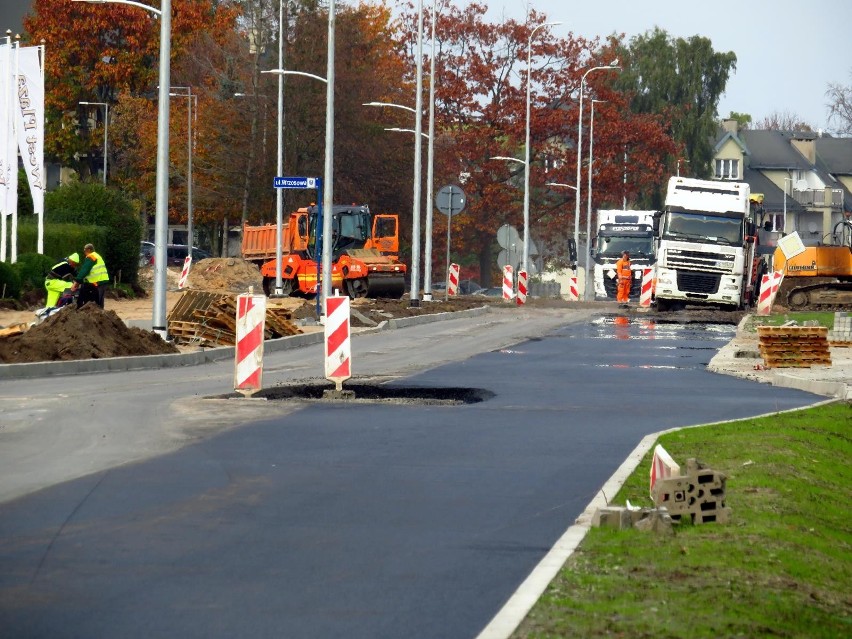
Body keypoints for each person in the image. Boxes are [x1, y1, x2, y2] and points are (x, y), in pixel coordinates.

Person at [73, 243, 110, 308]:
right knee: (99, 301)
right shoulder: (97, 256)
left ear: (89, 250)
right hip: (102, 281)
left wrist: (77, 282)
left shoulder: (91, 257)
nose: (84, 252)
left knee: (94, 302)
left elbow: (85, 270)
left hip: (97, 282)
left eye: (84, 250)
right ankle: (100, 315)